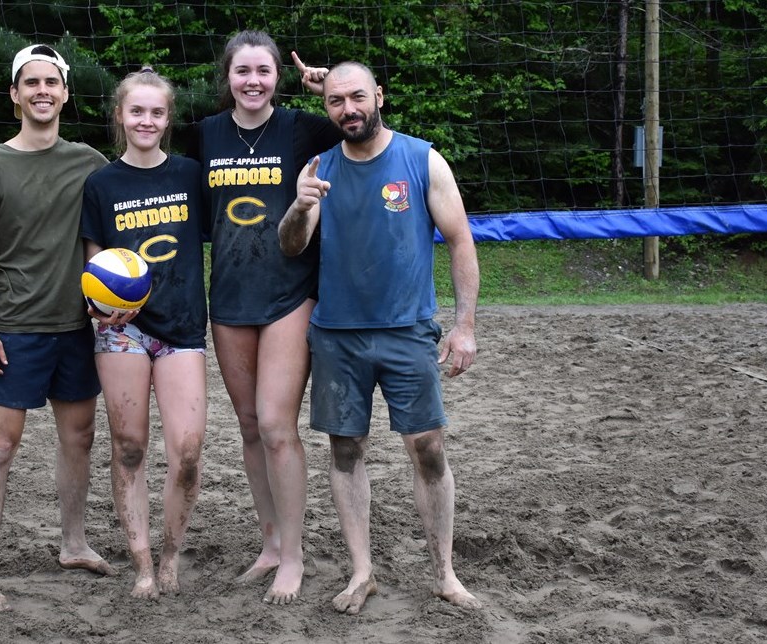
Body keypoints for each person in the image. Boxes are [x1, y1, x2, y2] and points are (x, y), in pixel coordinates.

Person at [278, 61, 483, 615]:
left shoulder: (421, 159)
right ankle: (361, 571)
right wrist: (299, 205)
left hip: (408, 332)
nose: (349, 109)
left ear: (380, 97)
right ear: (327, 109)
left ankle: (444, 573)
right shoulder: (318, 169)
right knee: (346, 450)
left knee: (429, 449)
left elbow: (461, 242)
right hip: (337, 336)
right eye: (337, 101)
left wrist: (464, 326)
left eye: (357, 98)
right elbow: (292, 246)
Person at [185, 29, 342, 605]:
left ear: (279, 76)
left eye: (264, 71)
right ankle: (271, 542)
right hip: (228, 297)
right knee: (250, 426)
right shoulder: (204, 134)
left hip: (289, 293)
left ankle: (294, 557)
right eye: (242, 71)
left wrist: (330, 88)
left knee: (277, 426)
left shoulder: (304, 128)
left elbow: (369, 120)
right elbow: (142, 144)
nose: (253, 81)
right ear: (226, 77)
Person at [0, 43, 114, 612]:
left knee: (79, 439)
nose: (42, 91)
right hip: (15, 328)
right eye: (32, 83)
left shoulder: (90, 162)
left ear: (66, 93)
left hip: (77, 327)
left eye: (52, 82)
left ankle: (73, 543)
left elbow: (106, 240)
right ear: (15, 95)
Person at [80, 68, 209, 600]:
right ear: (120, 116)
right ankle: (142, 564)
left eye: (157, 112)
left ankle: (172, 552)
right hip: (122, 332)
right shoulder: (102, 183)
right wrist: (103, 305)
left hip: (181, 328)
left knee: (188, 452)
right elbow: (93, 262)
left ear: (168, 118)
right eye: (137, 111)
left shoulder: (189, 174)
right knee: (129, 447)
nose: (147, 120)